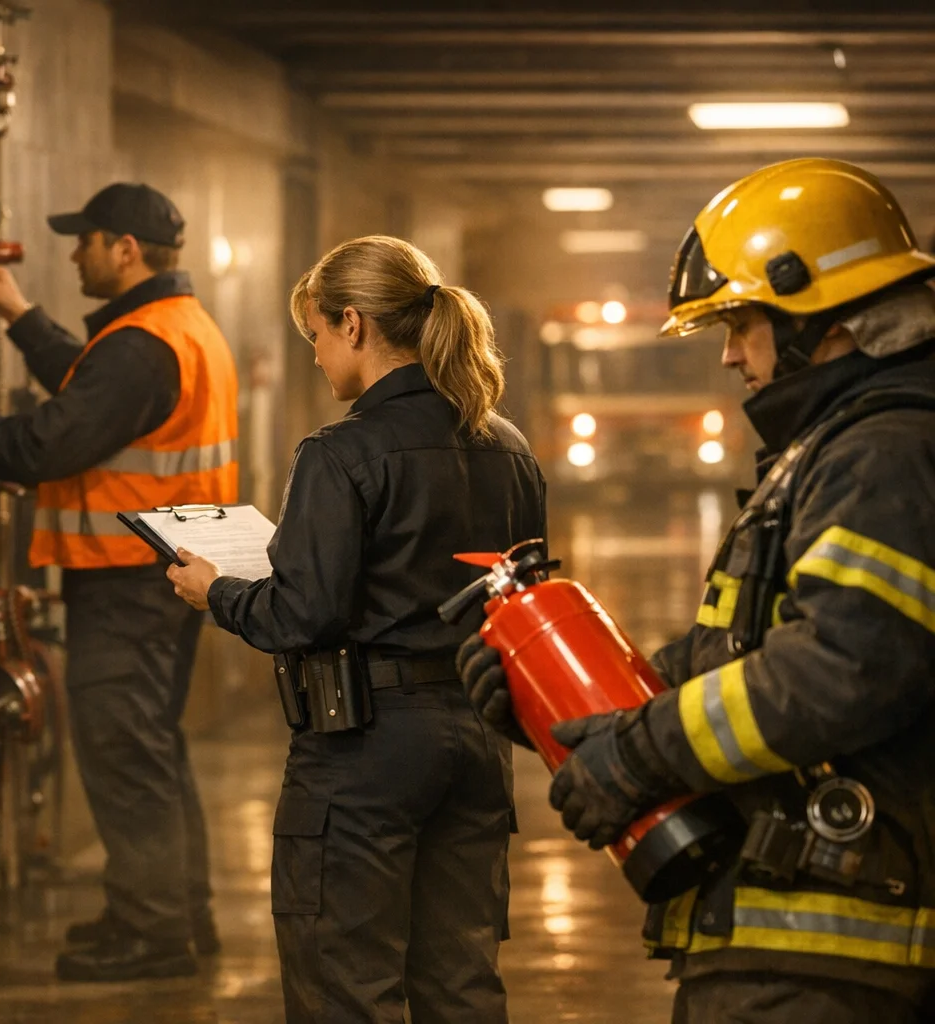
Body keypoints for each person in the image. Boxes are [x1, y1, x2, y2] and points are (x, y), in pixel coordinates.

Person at [461, 158, 935, 1023]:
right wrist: (564, 718)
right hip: (791, 937)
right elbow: (743, 657)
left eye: (742, 324)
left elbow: (842, 667)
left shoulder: (883, 452)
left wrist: (638, 751)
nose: (727, 354)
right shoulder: (840, 446)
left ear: (815, 316)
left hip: (828, 948)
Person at [167, 235, 545, 1023]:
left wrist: (222, 591)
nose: (314, 357)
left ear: (353, 325)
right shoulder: (507, 448)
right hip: (478, 738)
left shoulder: (340, 453)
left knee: (347, 986)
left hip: (364, 746)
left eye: (315, 336)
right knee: (463, 983)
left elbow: (307, 612)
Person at [0, 182, 238, 982]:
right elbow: (91, 391)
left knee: (124, 755)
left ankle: (151, 934)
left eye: (87, 240)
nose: (75, 252)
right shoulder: (178, 328)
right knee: (153, 751)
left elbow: (52, 440)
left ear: (126, 250)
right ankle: (179, 916)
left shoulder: (144, 343)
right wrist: (18, 314)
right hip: (165, 578)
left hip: (125, 585)